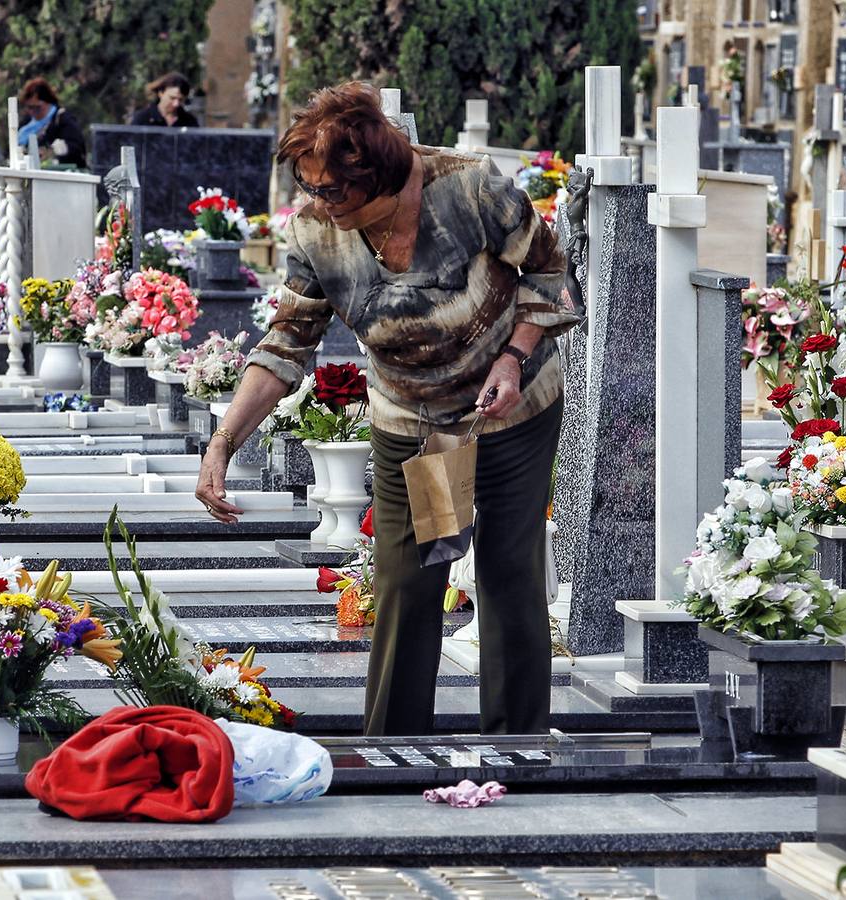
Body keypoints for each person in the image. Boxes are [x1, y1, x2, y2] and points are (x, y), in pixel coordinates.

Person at [194, 83, 582, 737]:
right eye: (310, 187)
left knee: (508, 571)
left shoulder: (469, 189)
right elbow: (287, 343)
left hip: (511, 412)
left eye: (334, 191)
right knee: (409, 582)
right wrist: (223, 441)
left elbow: (550, 274)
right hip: (419, 425)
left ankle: (518, 749)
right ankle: (393, 747)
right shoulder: (319, 233)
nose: (318, 203)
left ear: (380, 173)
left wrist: (514, 356)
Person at [17, 78, 86, 169]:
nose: (33, 112)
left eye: (37, 107)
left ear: (48, 102)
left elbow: (78, 149)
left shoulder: (62, 119)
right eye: (29, 107)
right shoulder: (26, 123)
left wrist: (55, 150)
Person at [129, 72, 198, 128]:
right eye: (172, 98)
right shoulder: (142, 119)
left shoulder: (189, 121)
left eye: (180, 100)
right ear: (161, 93)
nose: (176, 104)